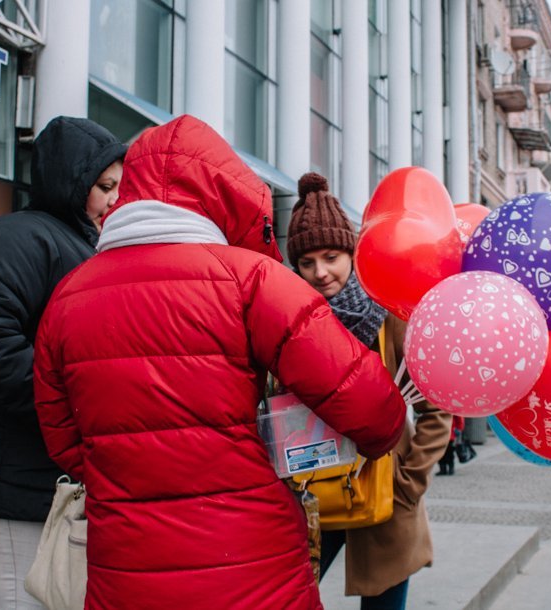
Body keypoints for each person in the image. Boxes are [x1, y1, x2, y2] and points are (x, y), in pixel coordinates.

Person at [32, 115, 406, 610]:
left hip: (125, 568)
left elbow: (63, 441)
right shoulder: (253, 280)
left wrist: (133, 475)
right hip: (255, 568)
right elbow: (374, 411)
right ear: (222, 194)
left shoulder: (67, 297)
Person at [0, 116, 127, 609]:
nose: (115, 199)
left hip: (54, 474)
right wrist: (68, 404)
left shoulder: (86, 246)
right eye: (104, 187)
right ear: (71, 181)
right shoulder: (18, 237)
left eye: (119, 187)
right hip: (15, 474)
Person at [286, 172, 451, 610]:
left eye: (331, 257)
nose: (321, 273)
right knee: (289, 595)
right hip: (314, 491)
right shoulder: (292, 321)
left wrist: (408, 485)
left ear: (352, 253)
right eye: (307, 262)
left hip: (387, 493)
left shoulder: (390, 310)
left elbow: (437, 409)